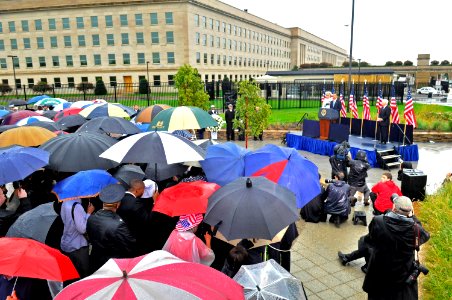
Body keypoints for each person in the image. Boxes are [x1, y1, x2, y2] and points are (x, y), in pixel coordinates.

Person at [362, 196, 430, 299]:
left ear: (394, 208)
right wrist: (413, 217)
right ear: (410, 211)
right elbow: (426, 236)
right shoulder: (415, 229)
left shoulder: (378, 221)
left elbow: (371, 238)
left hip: (379, 270)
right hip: (402, 273)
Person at [87, 184, 136, 274]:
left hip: (96, 262)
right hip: (112, 266)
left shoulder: (91, 218)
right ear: (117, 204)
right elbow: (130, 247)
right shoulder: (118, 225)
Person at [60, 198, 94, 280]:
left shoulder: (64, 202)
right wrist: (89, 213)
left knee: (72, 276)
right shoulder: (77, 206)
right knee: (83, 276)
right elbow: (82, 229)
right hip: (78, 247)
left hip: (67, 243)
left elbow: (64, 220)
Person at [116, 179, 153, 255]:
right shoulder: (136, 203)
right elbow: (147, 220)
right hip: (134, 238)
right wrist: (155, 202)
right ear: (137, 190)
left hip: (121, 236)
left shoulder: (119, 197)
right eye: (142, 190)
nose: (143, 192)